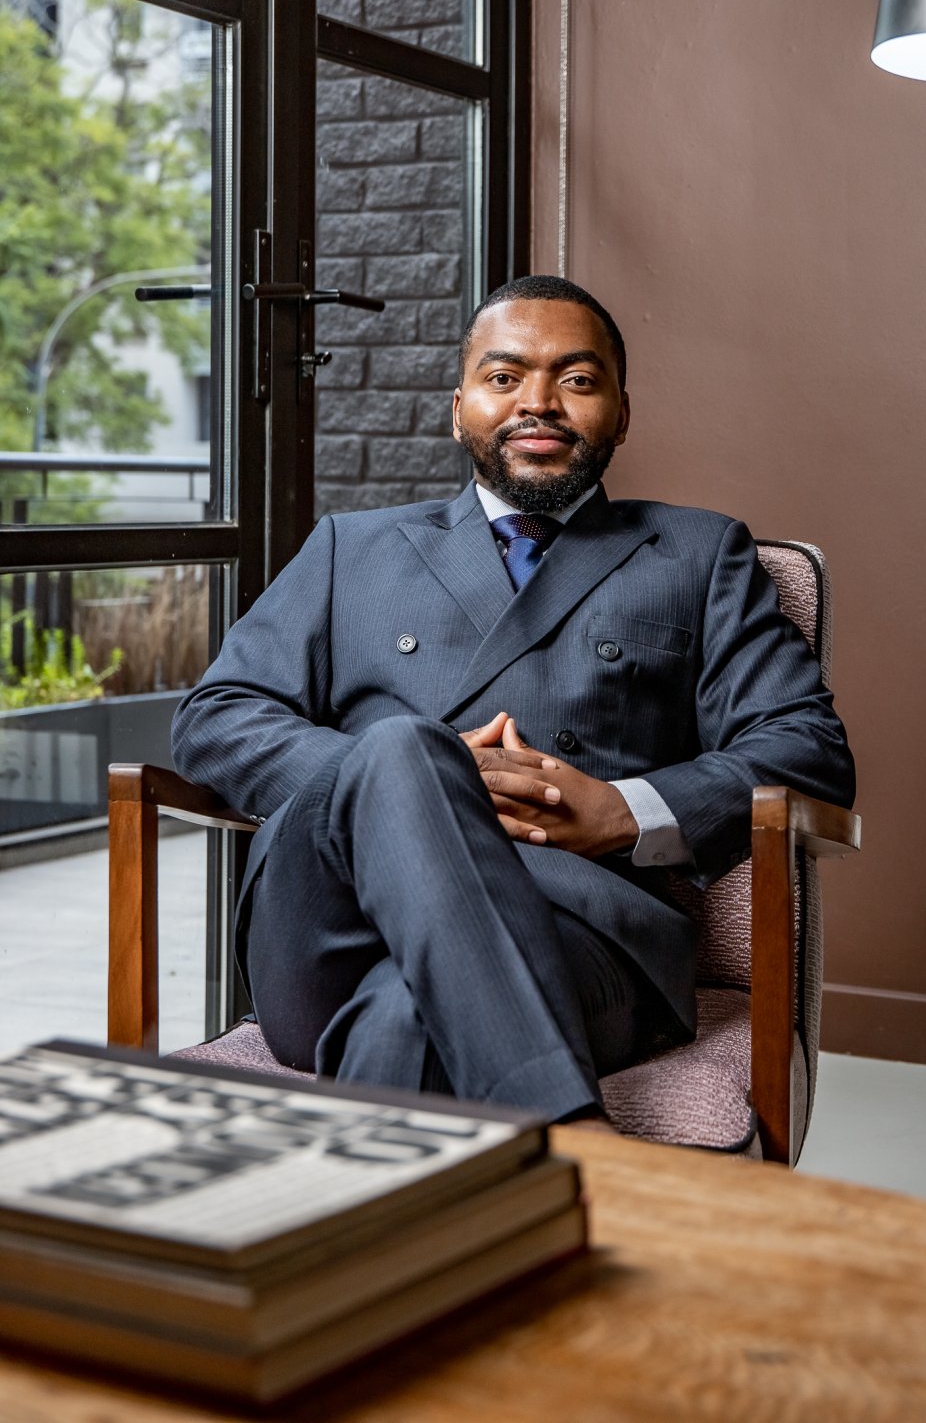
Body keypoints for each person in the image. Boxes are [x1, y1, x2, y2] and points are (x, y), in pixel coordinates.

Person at [172, 275, 854, 1123]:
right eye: (504, 378)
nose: (539, 403)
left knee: (404, 1022)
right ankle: (580, 1149)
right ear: (460, 409)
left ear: (622, 412)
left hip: (580, 929)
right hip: (328, 925)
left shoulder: (698, 553)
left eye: (576, 379)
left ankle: (463, 1199)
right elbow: (215, 715)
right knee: (404, 748)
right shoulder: (352, 547)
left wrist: (624, 812)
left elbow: (806, 750)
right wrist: (410, 783)